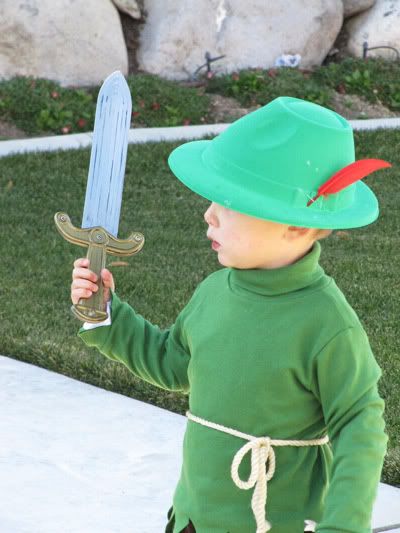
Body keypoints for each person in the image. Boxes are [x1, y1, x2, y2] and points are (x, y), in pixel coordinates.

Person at [71, 96, 391, 533]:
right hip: (193, 517)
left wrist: (343, 525)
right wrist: (105, 315)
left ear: (296, 225)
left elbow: (360, 426)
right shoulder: (215, 291)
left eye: (230, 202)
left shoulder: (328, 324)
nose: (209, 214)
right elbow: (172, 362)